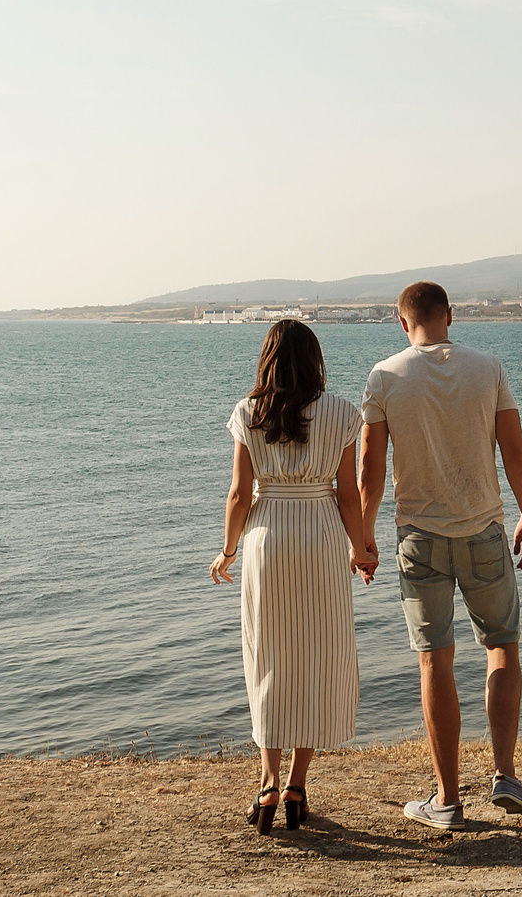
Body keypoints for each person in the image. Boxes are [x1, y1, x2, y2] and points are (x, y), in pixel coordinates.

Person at [355, 281, 522, 829]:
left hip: (419, 538)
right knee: (502, 646)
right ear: (450, 316)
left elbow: (369, 469)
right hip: (484, 530)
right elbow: (514, 451)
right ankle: (505, 775)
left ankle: (447, 800)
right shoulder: (488, 368)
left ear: (402, 321)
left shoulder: (384, 376)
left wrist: (362, 538)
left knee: (435, 659)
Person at [208, 319, 376, 832]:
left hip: (267, 538)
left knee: (267, 657)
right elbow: (348, 495)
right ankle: (297, 786)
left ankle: (267, 784)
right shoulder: (341, 412)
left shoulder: (249, 412)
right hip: (321, 535)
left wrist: (228, 550)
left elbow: (240, 494)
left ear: (267, 360)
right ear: (314, 360)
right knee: (318, 657)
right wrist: (361, 548)